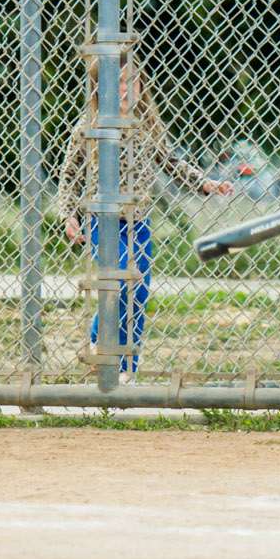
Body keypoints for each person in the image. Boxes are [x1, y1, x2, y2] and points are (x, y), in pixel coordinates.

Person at [56, 63, 230, 378]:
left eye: (133, 82)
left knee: (138, 292)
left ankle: (127, 368)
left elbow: (170, 161)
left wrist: (203, 182)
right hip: (102, 221)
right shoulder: (88, 127)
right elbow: (70, 175)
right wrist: (68, 213)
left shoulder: (148, 124)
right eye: (118, 83)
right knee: (123, 280)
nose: (126, 89)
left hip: (139, 223)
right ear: (101, 89)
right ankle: (99, 341)